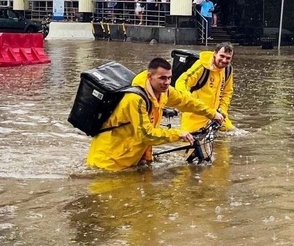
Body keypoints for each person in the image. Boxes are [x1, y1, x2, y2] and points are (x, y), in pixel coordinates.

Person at [86, 57, 225, 171]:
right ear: (149, 76)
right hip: (109, 163)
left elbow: (186, 102)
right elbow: (147, 135)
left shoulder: (164, 92)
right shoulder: (135, 99)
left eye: (170, 78)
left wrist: (212, 114)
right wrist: (178, 134)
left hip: (132, 158)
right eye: (162, 78)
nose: (167, 82)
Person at [175, 43, 234, 133]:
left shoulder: (228, 70)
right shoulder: (202, 66)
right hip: (194, 117)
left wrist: (223, 111)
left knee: (234, 135)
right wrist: (190, 101)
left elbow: (227, 92)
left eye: (228, 58)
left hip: (216, 116)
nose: (224, 60)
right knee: (190, 143)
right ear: (215, 54)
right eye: (222, 56)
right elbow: (181, 82)